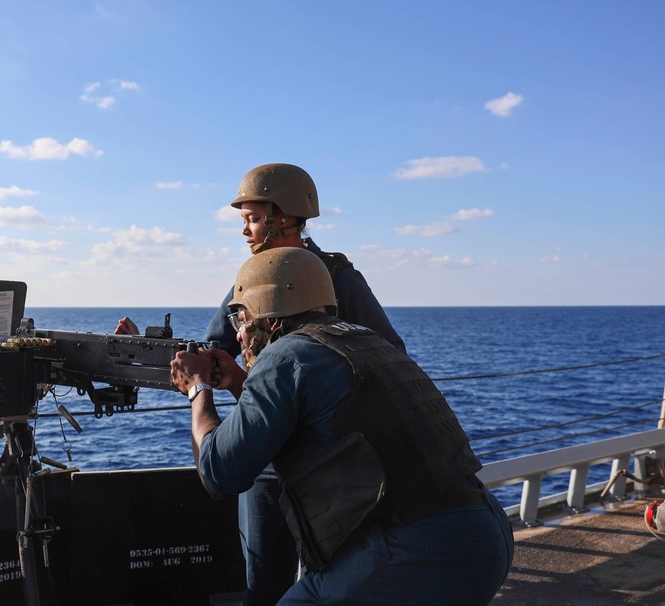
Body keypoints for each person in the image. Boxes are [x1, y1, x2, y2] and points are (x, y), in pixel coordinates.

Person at [117, 163, 406, 604]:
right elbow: (211, 354)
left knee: (336, 579)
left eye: (252, 219)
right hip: (269, 458)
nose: (245, 231)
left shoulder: (340, 279)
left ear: (285, 217)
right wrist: (142, 352)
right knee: (264, 583)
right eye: (244, 220)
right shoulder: (250, 281)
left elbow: (388, 360)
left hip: (326, 462)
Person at [169, 247, 513, 605]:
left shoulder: (283, 355)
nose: (237, 334)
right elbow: (313, 421)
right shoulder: (365, 342)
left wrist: (198, 389)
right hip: (486, 536)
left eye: (240, 318)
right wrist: (241, 382)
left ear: (268, 318)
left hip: (414, 551)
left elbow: (219, 472)